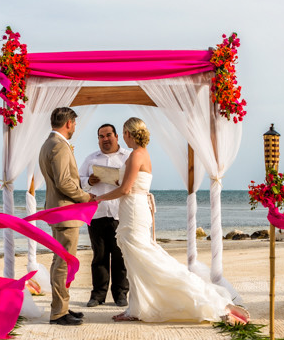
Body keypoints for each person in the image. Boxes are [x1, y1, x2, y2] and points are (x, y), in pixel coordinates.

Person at [97, 118, 248, 324]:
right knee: (136, 261)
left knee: (145, 259)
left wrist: (98, 198)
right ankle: (136, 306)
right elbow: (130, 184)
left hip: (133, 209)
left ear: (129, 134)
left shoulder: (135, 155)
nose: (123, 137)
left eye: (124, 133)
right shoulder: (142, 154)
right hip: (135, 207)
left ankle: (207, 301)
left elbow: (125, 189)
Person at [38, 107, 96, 326]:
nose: (74, 127)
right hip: (65, 211)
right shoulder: (60, 146)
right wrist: (84, 197)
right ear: (69, 123)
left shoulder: (48, 144)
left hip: (57, 210)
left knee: (59, 261)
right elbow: (63, 182)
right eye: (74, 123)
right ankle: (58, 313)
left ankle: (60, 305)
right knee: (63, 262)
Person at [80, 123, 130, 308]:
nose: (105, 139)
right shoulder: (91, 159)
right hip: (97, 213)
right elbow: (79, 180)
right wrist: (88, 181)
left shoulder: (128, 157)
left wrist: (122, 181)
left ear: (116, 136)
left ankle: (120, 295)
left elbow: (136, 180)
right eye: (101, 136)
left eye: (108, 135)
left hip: (120, 213)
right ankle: (98, 295)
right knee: (99, 256)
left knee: (119, 256)